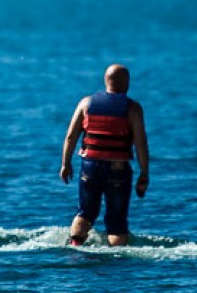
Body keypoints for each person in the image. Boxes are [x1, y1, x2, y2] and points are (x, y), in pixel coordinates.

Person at [60, 64, 151, 247]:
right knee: (116, 220)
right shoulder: (133, 108)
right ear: (127, 83)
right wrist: (144, 172)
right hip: (118, 168)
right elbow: (140, 143)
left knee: (85, 213)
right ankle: (116, 255)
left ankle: (75, 246)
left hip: (90, 167)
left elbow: (71, 136)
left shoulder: (86, 103)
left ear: (106, 81)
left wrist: (66, 164)